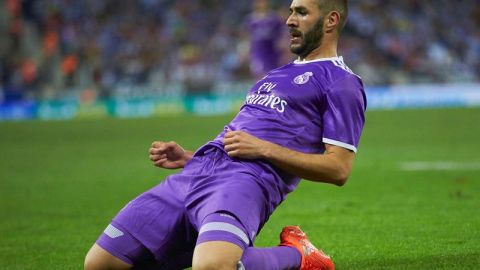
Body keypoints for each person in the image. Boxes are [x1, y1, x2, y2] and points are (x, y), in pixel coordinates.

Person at [84, 0, 366, 269]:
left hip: (245, 182)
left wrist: (264, 149)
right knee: (100, 263)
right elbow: (242, 139)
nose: (290, 20)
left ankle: (298, 254)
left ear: (331, 20)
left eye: (302, 13)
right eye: (291, 12)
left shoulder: (341, 83)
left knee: (213, 266)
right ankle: (211, 247)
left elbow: (338, 169)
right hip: (197, 173)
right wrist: (189, 157)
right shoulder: (275, 75)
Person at [246, 0, 286, 78]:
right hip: (258, 53)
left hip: (273, 52)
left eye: (263, 1)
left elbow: (281, 35)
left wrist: (283, 51)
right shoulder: (251, 19)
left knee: (273, 76)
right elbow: (248, 37)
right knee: (259, 75)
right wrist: (248, 52)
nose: (261, 3)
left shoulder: (274, 18)